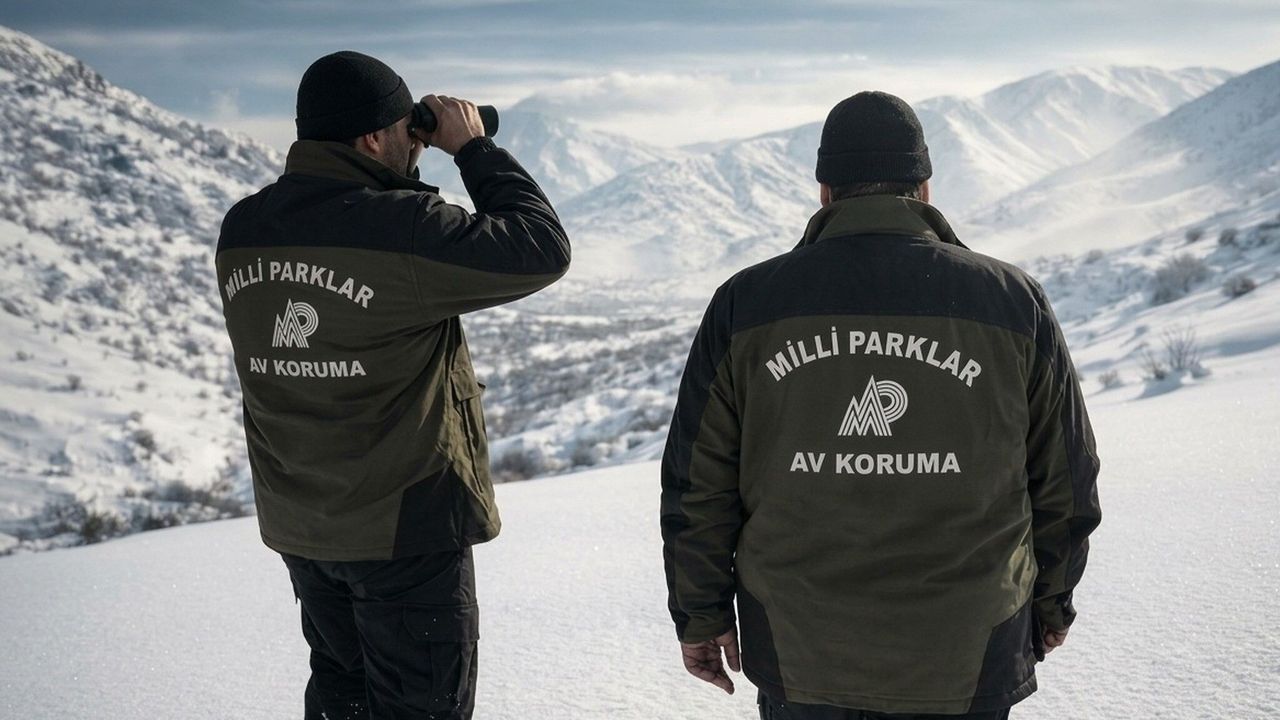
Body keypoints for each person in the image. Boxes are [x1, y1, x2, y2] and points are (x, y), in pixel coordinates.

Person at [660, 91, 1101, 719]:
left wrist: (702, 615)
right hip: (969, 649)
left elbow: (697, 484)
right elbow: (1067, 480)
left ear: (825, 192)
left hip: (802, 652)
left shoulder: (747, 303)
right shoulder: (1010, 301)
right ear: (924, 189)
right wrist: (1051, 605)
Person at [215, 51, 569, 719]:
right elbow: (541, 248)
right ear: (375, 138)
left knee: (341, 698)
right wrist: (473, 149)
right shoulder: (398, 228)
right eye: (409, 131)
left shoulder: (244, 229)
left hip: (304, 524)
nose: (417, 145)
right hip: (404, 529)